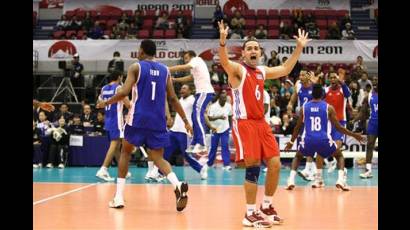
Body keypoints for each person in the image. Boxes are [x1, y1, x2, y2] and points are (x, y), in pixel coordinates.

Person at [218, 20, 311, 227]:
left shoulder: (261, 71)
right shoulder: (238, 70)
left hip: (261, 123)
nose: (253, 51)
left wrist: (298, 48)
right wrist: (223, 43)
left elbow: (286, 68)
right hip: (244, 123)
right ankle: (249, 213)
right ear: (243, 54)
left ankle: (266, 206)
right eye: (249, 48)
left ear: (260, 53)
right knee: (252, 168)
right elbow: (225, 62)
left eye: (256, 48)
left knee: (276, 164)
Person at [96, 39, 193, 211]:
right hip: (158, 121)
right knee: (158, 158)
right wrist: (185, 121)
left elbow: (124, 92)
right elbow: (172, 99)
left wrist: (106, 102)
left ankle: (118, 197)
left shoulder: (136, 67)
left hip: (137, 118)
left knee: (125, 152)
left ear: (141, 51)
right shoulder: (165, 70)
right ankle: (177, 185)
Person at [285, 84, 364, 190]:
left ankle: (291, 180)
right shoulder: (328, 108)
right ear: (323, 95)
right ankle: (340, 180)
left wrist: (291, 142)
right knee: (339, 156)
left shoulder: (304, 108)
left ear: (312, 94)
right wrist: (354, 135)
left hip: (308, 140)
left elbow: (297, 127)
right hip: (323, 140)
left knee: (298, 156)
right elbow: (339, 127)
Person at [148, 84, 207, 180]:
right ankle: (160, 173)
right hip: (174, 130)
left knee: (186, 155)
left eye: (184, 88)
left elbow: (200, 113)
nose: (181, 90)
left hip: (184, 132)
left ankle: (201, 169)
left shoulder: (193, 100)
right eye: (181, 88)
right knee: (166, 151)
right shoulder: (180, 100)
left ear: (190, 91)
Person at [169, 51, 215, 153]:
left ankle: (202, 143)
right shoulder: (196, 66)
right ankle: (195, 142)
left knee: (198, 115)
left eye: (186, 58)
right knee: (195, 116)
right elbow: (190, 78)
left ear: (191, 56)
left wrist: (168, 69)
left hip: (205, 92)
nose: (185, 60)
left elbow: (184, 67)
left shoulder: (196, 60)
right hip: (200, 93)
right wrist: (176, 80)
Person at [95, 70, 131, 181]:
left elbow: (99, 102)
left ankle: (124, 170)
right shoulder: (119, 88)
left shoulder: (103, 88)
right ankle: (103, 169)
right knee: (114, 145)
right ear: (119, 77)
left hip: (108, 119)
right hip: (117, 119)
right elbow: (128, 104)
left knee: (116, 147)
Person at [285, 71, 316, 183]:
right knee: (307, 145)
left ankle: (310, 170)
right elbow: (293, 99)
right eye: (300, 75)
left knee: (307, 146)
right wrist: (289, 105)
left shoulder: (314, 86)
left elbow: (321, 97)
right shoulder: (298, 86)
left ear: (308, 76)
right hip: (302, 118)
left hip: (313, 118)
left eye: (303, 75)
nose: (300, 77)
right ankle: (310, 171)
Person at [323, 69, 351, 173]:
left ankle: (339, 167)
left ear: (338, 79)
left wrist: (342, 82)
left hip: (340, 122)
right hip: (328, 123)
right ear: (329, 80)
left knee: (337, 147)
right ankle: (335, 164)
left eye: (335, 77)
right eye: (331, 78)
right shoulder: (325, 90)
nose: (333, 79)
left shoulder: (343, 89)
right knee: (325, 145)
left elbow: (348, 95)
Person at [353, 77, 378, 178]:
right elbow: (363, 112)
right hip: (373, 123)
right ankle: (368, 170)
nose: (375, 82)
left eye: (377, 80)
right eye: (374, 80)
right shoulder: (369, 96)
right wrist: (354, 120)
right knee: (370, 146)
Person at [205, 90, 233, 170]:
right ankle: (210, 164)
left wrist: (230, 127)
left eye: (225, 99)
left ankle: (226, 165)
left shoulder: (228, 105)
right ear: (219, 99)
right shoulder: (213, 106)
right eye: (223, 99)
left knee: (225, 146)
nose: (224, 100)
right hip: (215, 129)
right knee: (213, 147)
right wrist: (219, 117)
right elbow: (209, 118)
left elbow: (230, 116)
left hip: (225, 129)